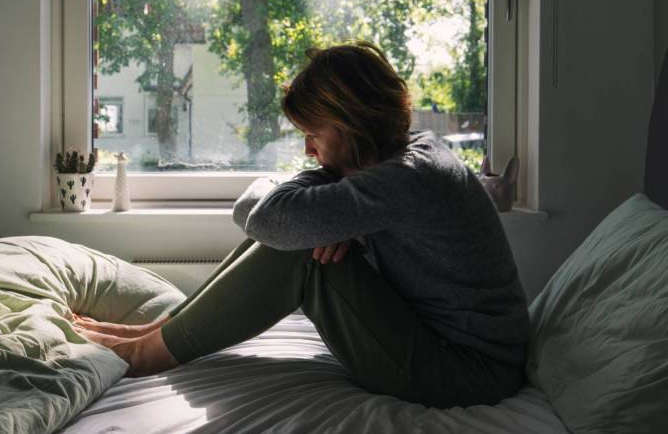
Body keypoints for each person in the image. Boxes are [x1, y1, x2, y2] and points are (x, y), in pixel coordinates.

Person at [74, 40, 530, 408]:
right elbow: (272, 215)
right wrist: (322, 214)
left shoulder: (409, 177)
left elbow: (262, 218)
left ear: (352, 124)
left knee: (304, 254)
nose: (309, 150)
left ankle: (146, 354)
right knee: (304, 232)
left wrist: (303, 207)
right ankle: (157, 333)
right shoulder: (393, 163)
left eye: (314, 135)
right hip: (445, 347)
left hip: (467, 371)